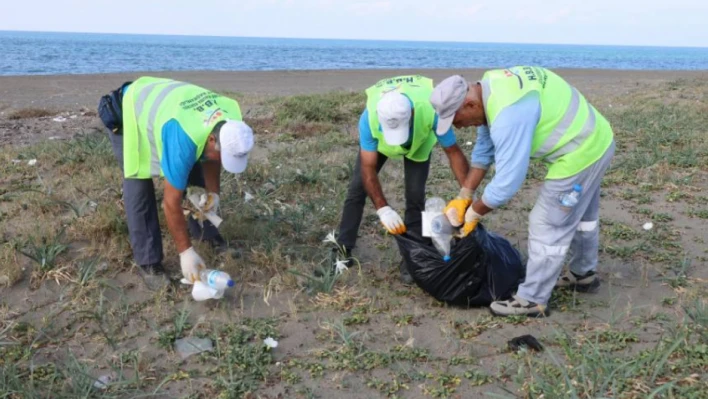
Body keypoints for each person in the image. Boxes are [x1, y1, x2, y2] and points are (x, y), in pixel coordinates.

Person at [430, 66, 615, 317]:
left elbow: (507, 183)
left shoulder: (509, 116)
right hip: (595, 138)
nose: (460, 128)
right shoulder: (490, 85)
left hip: (580, 154)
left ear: (470, 105)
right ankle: (583, 274)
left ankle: (533, 300)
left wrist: (473, 214)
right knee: (582, 218)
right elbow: (485, 147)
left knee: (546, 222)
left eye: (457, 121)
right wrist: (465, 194)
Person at [98, 77, 254, 289]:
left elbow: (213, 158)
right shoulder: (184, 137)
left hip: (168, 114)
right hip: (129, 113)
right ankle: (149, 263)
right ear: (211, 140)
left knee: (196, 174)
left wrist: (213, 195)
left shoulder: (231, 121)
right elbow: (170, 203)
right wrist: (186, 252)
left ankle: (207, 233)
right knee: (139, 189)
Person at [335, 75, 470, 283]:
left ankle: (412, 257)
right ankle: (342, 250)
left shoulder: (430, 111)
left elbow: (453, 152)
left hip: (419, 142)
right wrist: (383, 209)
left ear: (412, 113)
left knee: (415, 195)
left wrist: (467, 195)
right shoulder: (369, 119)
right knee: (356, 190)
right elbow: (368, 168)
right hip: (381, 143)